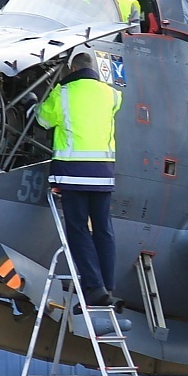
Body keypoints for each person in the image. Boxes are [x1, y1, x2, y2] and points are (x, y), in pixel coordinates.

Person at [37, 52, 124, 309]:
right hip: (104, 174)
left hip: (73, 173)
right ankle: (107, 287)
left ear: (71, 68)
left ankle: (94, 288)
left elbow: (43, 120)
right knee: (103, 230)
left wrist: (35, 105)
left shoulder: (63, 93)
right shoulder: (112, 95)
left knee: (78, 230)